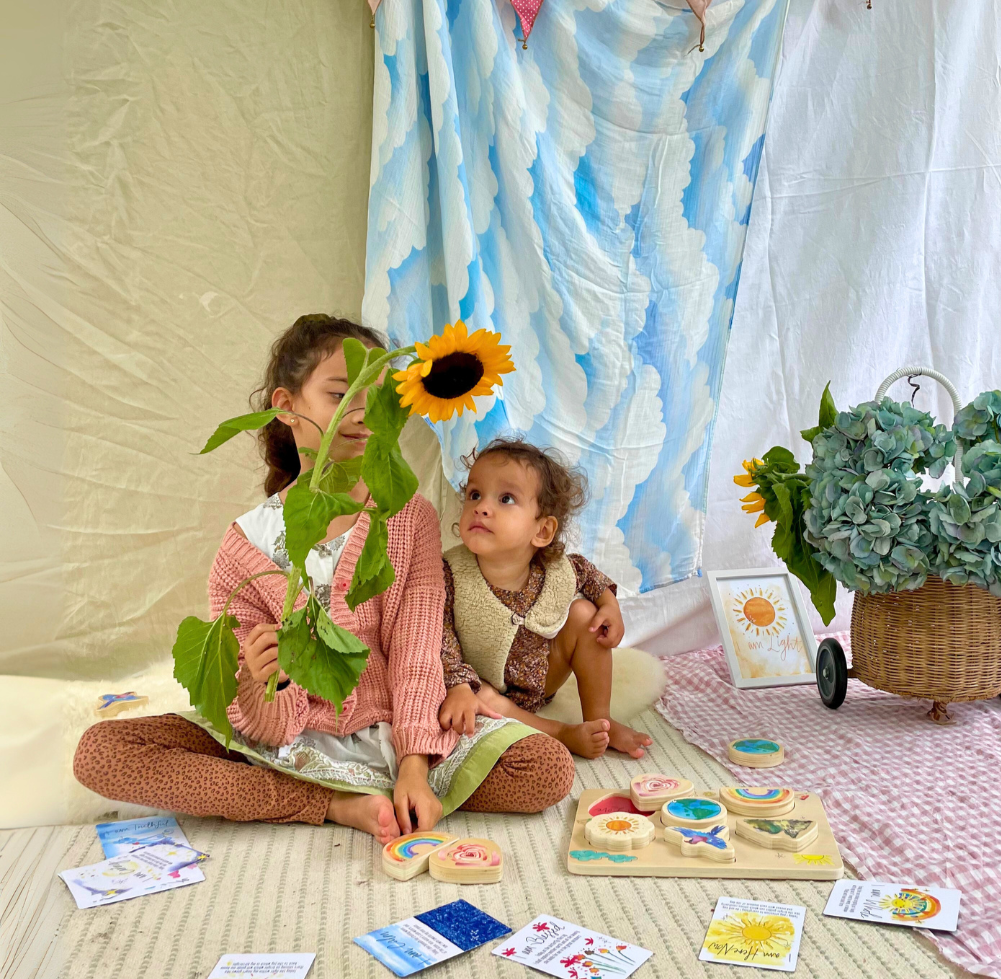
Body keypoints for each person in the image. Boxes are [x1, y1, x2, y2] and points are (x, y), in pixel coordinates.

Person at [74, 315, 574, 844]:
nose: (362, 415)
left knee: (545, 769)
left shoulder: (408, 519)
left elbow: (416, 650)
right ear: (287, 407)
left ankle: (377, 787)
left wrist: (413, 766)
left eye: (378, 399)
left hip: (394, 731)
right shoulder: (246, 546)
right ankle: (331, 804)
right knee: (104, 753)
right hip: (284, 746)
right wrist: (267, 678)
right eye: (341, 394)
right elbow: (264, 722)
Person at [439, 438, 652, 760]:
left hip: (542, 676)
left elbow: (590, 577)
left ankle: (601, 722)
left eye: (506, 498)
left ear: (542, 531)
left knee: (585, 614)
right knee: (479, 694)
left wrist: (610, 607)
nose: (482, 507)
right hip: (483, 687)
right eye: (474, 494)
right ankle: (561, 732)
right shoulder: (448, 572)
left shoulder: (555, 568)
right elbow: (439, 635)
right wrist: (457, 685)